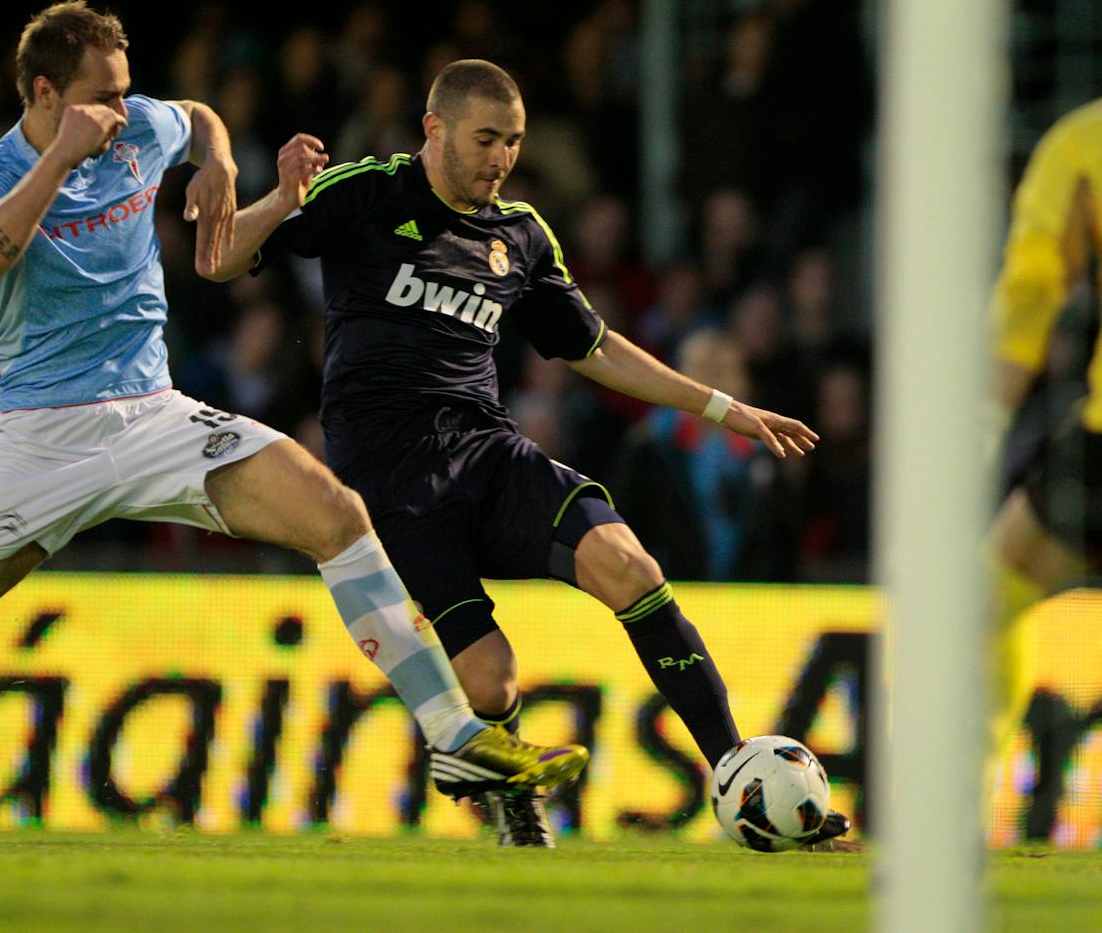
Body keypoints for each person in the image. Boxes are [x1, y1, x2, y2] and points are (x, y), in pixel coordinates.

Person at [0, 6, 587, 842]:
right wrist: (59, 159)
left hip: (154, 415)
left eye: (127, 89)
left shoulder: (136, 127)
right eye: (103, 93)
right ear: (47, 94)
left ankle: (454, 739)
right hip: (40, 437)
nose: (123, 108)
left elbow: (197, 114)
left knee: (336, 514)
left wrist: (218, 162)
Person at [207, 59, 849, 849]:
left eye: (512, 142)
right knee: (491, 680)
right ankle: (516, 811)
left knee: (630, 566)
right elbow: (221, 258)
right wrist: (278, 198)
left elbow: (595, 347)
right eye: (485, 139)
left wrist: (724, 408)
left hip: (488, 451)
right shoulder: (365, 192)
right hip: (392, 482)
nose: (501, 159)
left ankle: (732, 770)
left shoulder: (521, 234)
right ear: (433, 129)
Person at [986, 97, 1102, 779]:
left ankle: (948, 816)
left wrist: (982, 419)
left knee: (985, 601)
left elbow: (1032, 290)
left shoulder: (1084, 144)